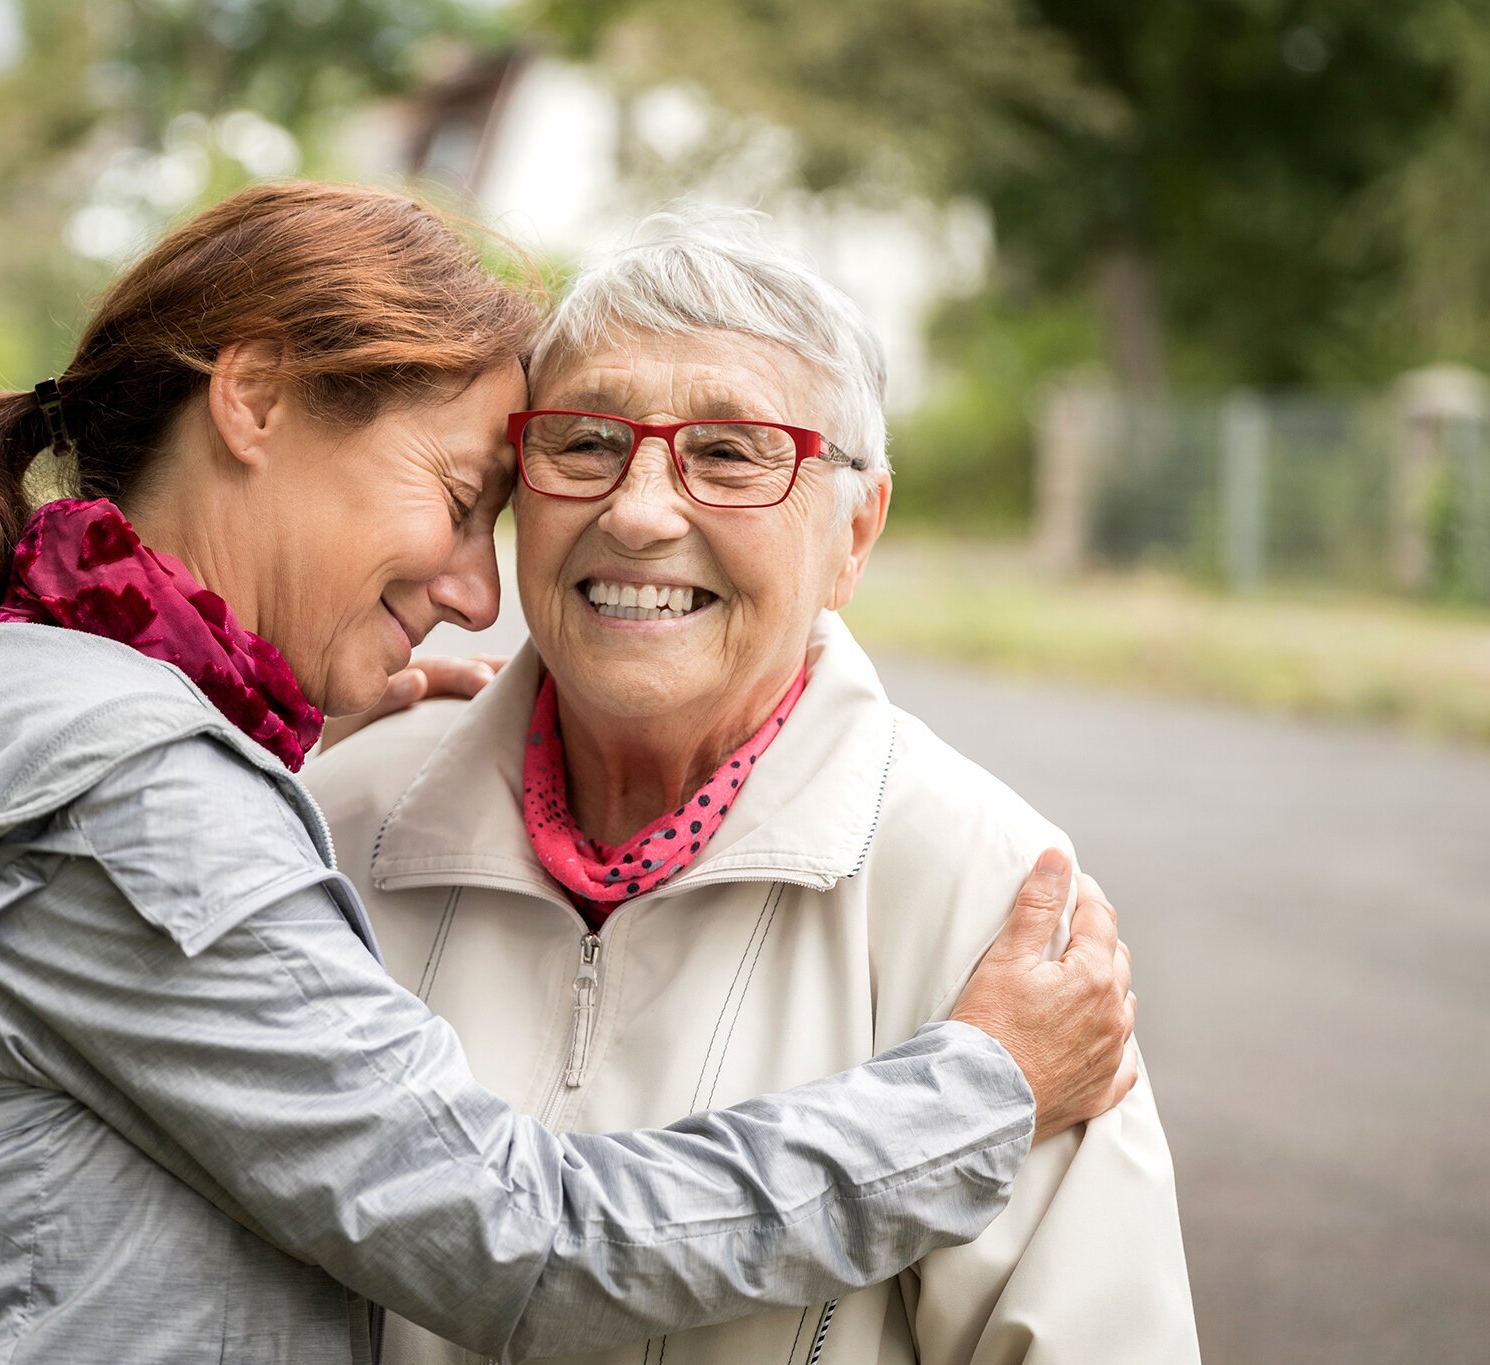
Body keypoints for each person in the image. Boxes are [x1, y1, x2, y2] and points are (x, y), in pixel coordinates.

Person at [0, 183, 1135, 1365]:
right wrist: (982, 1092)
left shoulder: (36, 710)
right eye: (460, 496)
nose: (476, 590)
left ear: (855, 524)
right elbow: (520, 1237)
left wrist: (251, 770)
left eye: (734, 455)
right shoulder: (143, 807)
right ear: (256, 399)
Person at [307, 210, 1196, 1365]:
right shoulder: (335, 817)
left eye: (729, 454)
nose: (635, 511)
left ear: (854, 534)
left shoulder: (992, 898)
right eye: (581, 443)